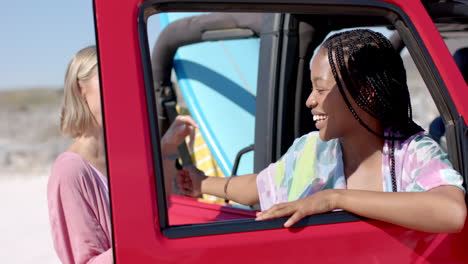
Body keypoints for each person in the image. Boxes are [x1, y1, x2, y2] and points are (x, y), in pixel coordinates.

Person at [178, 29, 467, 233]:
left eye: (320, 88)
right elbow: (260, 187)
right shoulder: (312, 150)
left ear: (364, 93)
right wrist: (202, 183)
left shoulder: (412, 152)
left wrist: (334, 198)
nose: (310, 100)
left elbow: (451, 213)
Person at [47, 46, 197, 264]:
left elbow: (159, 213)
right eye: (109, 78)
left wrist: (168, 147)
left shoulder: (125, 158)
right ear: (81, 90)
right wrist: (140, 242)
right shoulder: (70, 171)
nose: (120, 88)